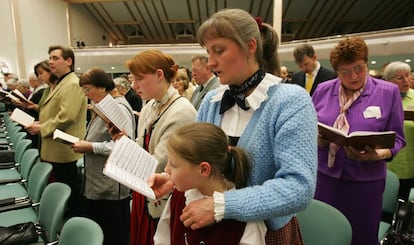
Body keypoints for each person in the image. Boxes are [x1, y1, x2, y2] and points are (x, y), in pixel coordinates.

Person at [149, 8, 317, 244]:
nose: (211, 62)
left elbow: (299, 188)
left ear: (250, 46)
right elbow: (196, 158)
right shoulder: (212, 101)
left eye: (219, 50)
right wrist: (174, 177)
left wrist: (222, 205)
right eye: (208, 52)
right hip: (213, 230)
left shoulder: (290, 101)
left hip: (267, 235)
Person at [312, 37, 406, 245]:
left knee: (361, 238)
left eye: (359, 68)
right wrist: (316, 139)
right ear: (336, 71)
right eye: (345, 72)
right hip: (325, 179)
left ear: (365, 62)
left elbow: (398, 138)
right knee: (325, 235)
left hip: (365, 184)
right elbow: (309, 126)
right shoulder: (323, 90)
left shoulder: (388, 92)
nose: (353, 76)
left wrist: (378, 154)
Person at [126, 49, 197, 245]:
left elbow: (159, 164)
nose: (134, 85)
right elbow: (141, 145)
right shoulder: (150, 105)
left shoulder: (182, 111)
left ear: (159, 75)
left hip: (162, 193)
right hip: (146, 189)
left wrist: (123, 163)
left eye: (140, 78)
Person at [154, 122, 267, 244]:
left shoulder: (245, 221)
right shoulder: (178, 197)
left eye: (173, 164)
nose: (166, 170)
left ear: (203, 169)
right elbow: (162, 239)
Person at [72, 68, 134, 245]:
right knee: (102, 231)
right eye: (83, 89)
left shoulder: (118, 106)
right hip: (98, 182)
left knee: (114, 233)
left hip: (111, 186)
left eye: (88, 88)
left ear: (102, 87)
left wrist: (91, 146)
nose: (86, 94)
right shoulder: (103, 105)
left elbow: (125, 146)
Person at [26, 45, 87, 217]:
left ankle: (75, 223)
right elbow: (55, 113)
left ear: (68, 61)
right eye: (50, 58)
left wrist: (41, 127)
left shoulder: (73, 83)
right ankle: (68, 217)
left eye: (55, 58)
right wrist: (41, 122)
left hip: (64, 148)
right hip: (55, 146)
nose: (51, 62)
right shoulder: (62, 83)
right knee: (63, 187)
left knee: (70, 189)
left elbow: (66, 117)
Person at [383, 61, 414, 200]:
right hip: (389, 162)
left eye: (407, 75)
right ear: (389, 81)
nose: (406, 80)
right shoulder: (384, 99)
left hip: (411, 162)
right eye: (400, 78)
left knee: (405, 204)